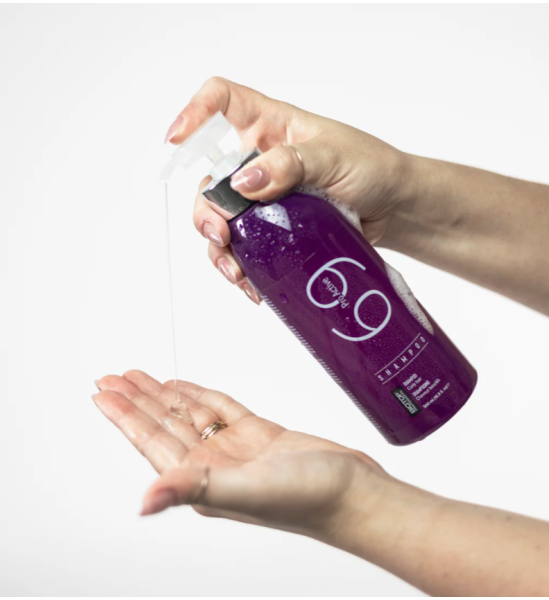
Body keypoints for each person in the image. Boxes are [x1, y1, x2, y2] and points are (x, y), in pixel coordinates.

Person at [92, 77, 549, 596]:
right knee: (349, 315)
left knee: (364, 309)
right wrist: (402, 196)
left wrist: (353, 506)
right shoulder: (251, 237)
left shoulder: (302, 209)